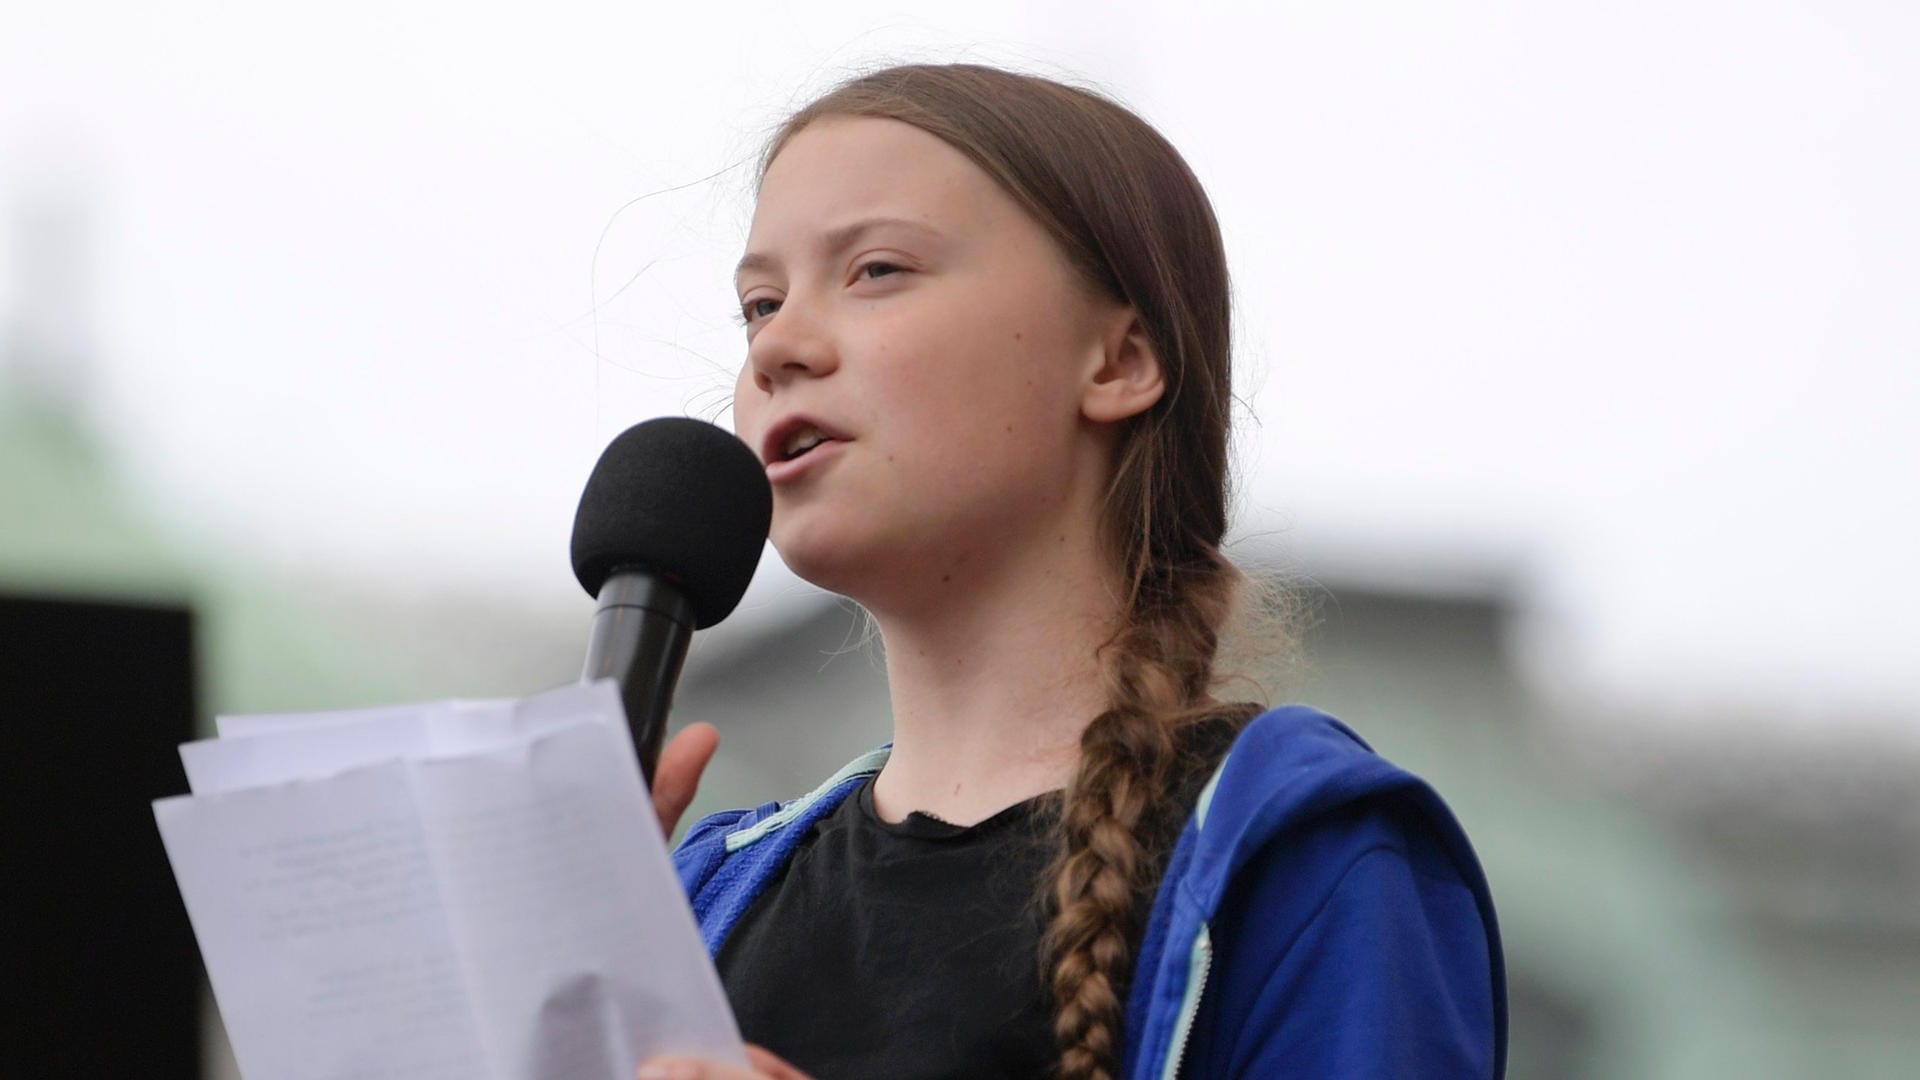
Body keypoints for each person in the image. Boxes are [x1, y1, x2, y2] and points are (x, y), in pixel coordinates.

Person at [636, 63, 1506, 1080]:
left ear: (1119, 360)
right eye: (759, 303)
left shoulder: (1302, 859)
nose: (778, 344)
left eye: (875, 270)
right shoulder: (701, 898)